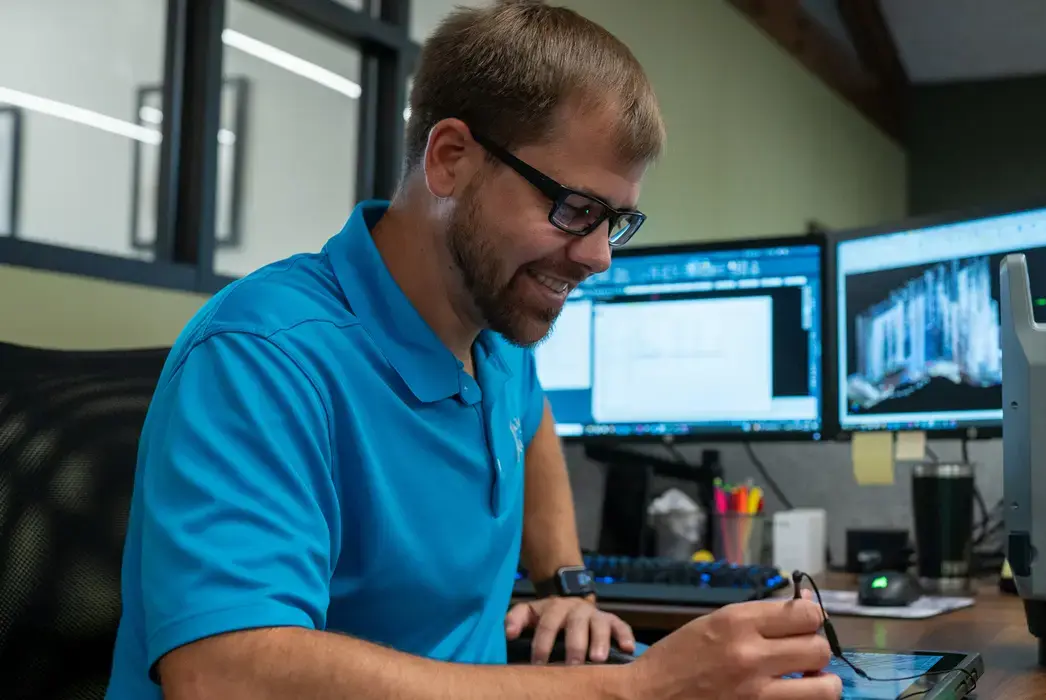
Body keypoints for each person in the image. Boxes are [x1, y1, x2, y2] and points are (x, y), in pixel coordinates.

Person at [103, 1, 842, 699]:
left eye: (615, 221)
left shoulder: (493, 335)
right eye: (575, 210)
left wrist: (567, 582)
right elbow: (223, 676)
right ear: (451, 158)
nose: (597, 257)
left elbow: (532, 423)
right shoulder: (263, 357)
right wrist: (635, 687)